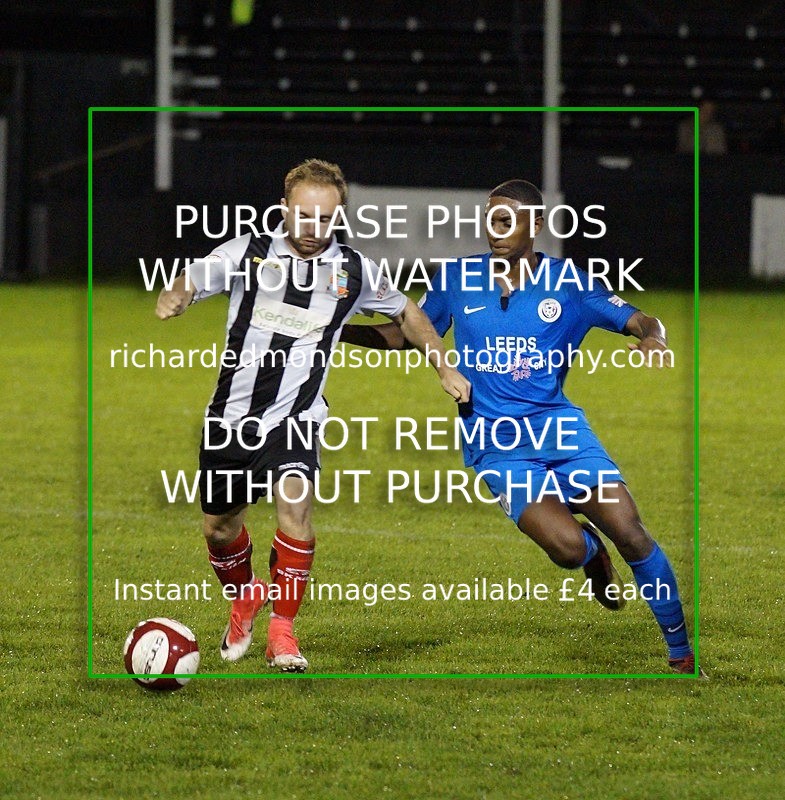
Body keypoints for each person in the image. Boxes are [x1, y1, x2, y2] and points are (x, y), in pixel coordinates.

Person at [341, 179, 702, 675]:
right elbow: (404, 334)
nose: (496, 229)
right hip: (496, 442)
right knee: (567, 546)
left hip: (560, 431)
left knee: (632, 533)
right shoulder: (457, 278)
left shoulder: (569, 283)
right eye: (491, 219)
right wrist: (336, 330)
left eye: (507, 220)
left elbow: (642, 319)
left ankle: (682, 655)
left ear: (536, 224)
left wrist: (653, 339)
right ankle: (592, 556)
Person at [155, 159, 470, 672]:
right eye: (303, 216)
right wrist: (178, 293)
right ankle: (245, 596)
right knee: (218, 528)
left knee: (295, 510)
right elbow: (194, 276)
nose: (313, 229)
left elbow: (407, 313)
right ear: (284, 209)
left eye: (325, 219)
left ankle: (284, 630)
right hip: (231, 418)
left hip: (299, 418)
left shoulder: (353, 270)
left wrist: (442, 366)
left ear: (338, 217)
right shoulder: (247, 252)